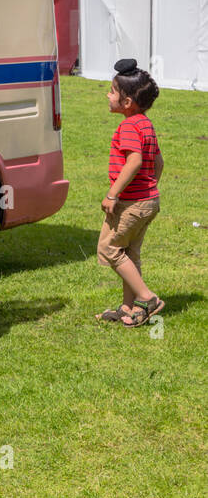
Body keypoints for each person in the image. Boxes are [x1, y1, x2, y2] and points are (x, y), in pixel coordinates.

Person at [94, 59, 164, 327]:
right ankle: (129, 308)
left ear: (127, 102)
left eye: (112, 91)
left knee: (110, 248)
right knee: (129, 253)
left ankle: (148, 298)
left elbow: (134, 161)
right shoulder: (145, 124)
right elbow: (158, 163)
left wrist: (113, 195)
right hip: (148, 201)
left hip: (132, 204)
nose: (107, 95)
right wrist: (148, 190)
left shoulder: (129, 126)